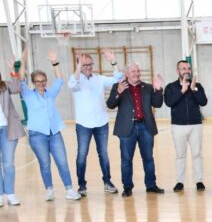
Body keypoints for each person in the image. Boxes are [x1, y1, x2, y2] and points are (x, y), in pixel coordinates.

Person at [19, 51, 81, 201]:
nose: (41, 83)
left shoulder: (50, 93)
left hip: (54, 133)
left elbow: (59, 79)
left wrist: (55, 63)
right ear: (33, 82)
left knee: (62, 162)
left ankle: (69, 190)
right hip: (37, 135)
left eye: (43, 80)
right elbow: (21, 79)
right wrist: (22, 61)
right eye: (38, 81)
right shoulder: (27, 94)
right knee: (45, 163)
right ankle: (49, 190)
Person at [106, 62, 165, 197]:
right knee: (126, 160)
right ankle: (127, 187)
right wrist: (118, 93)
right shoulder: (118, 86)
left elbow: (158, 104)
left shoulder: (148, 87)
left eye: (138, 71)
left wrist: (158, 89)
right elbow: (110, 105)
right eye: (133, 71)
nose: (137, 74)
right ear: (126, 74)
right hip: (127, 129)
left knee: (148, 158)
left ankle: (151, 185)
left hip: (146, 127)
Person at [68, 50, 122, 196]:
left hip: (101, 123)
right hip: (83, 124)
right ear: (79, 65)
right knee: (81, 155)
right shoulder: (76, 81)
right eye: (85, 64)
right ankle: (81, 185)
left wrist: (113, 61)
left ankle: (107, 182)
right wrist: (79, 66)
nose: (88, 67)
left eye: (90, 64)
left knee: (103, 154)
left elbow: (118, 78)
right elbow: (72, 84)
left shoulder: (99, 79)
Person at [164, 60, 208, 193]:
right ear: (178, 71)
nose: (186, 71)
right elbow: (169, 102)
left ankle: (199, 181)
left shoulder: (197, 86)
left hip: (196, 125)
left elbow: (203, 102)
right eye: (183, 68)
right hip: (178, 126)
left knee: (197, 154)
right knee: (180, 155)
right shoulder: (171, 87)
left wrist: (193, 89)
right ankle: (180, 182)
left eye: (188, 68)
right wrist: (182, 91)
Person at [0, 56, 26, 207]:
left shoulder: (4, 87)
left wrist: (13, 71)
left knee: (8, 163)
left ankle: (10, 194)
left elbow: (17, 88)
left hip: (7, 129)